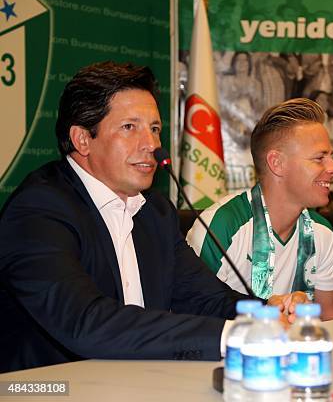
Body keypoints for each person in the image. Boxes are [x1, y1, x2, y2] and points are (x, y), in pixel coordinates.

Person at [0, 61, 296, 373]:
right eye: (130, 127)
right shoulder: (38, 210)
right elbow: (85, 323)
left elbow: (205, 299)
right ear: (83, 139)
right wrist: (232, 336)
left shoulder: (154, 211)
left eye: (154, 128)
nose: (152, 145)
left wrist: (267, 315)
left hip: (138, 382)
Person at [187, 98, 333, 321]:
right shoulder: (221, 226)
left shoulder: (322, 232)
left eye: (331, 157)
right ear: (277, 163)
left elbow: (330, 318)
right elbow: (190, 315)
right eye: (320, 158)